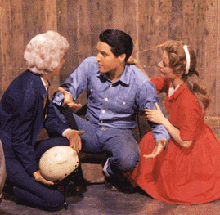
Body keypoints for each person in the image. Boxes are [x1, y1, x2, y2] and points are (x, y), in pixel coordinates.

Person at [52, 29, 170, 191]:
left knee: (129, 160)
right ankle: (71, 169)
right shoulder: (89, 65)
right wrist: (65, 97)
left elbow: (157, 117)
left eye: (104, 54)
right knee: (52, 111)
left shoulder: (140, 82)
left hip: (119, 134)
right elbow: (67, 88)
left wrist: (161, 139)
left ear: (121, 57)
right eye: (98, 52)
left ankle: (109, 169)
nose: (98, 58)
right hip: (88, 130)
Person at [0, 31, 84, 211]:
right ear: (52, 64)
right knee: (55, 200)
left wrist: (68, 132)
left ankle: (23, 181)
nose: (63, 61)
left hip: (22, 148)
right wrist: (34, 172)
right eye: (61, 58)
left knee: (64, 142)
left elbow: (49, 113)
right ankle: (11, 186)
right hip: (8, 156)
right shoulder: (28, 92)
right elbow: (18, 140)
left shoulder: (37, 80)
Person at [131, 40, 220, 204]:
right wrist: (136, 66)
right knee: (150, 141)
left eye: (164, 64)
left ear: (177, 72)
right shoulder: (172, 83)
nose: (159, 65)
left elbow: (186, 142)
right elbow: (148, 84)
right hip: (178, 134)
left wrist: (162, 120)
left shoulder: (188, 99)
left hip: (192, 149)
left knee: (153, 144)